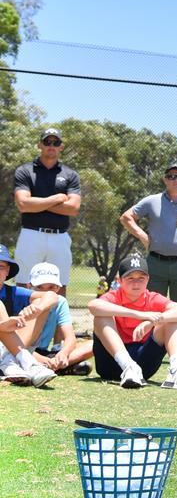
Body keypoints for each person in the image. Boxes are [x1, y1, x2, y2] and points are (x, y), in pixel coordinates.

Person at [120, 160, 177, 365]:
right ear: (164, 179)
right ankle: (148, 345)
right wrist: (143, 236)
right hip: (155, 263)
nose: (175, 180)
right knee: (150, 306)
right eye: (171, 176)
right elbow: (126, 217)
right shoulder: (152, 201)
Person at [87, 253, 177, 391]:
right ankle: (128, 367)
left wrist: (153, 321)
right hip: (110, 364)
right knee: (101, 317)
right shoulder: (113, 296)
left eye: (141, 278)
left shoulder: (153, 298)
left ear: (148, 279)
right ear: (120, 280)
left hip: (143, 366)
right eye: (130, 278)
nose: (136, 283)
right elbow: (93, 306)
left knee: (172, 319)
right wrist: (140, 315)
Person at [13, 127, 81, 294]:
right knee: (23, 283)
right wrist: (57, 198)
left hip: (60, 237)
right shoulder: (25, 171)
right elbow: (23, 204)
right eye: (47, 142)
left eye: (55, 142)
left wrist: (36, 203)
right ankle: (23, 320)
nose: (51, 145)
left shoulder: (70, 175)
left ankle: (58, 320)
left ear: (61, 147)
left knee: (59, 285)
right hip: (31, 233)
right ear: (40, 145)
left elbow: (73, 208)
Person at [0, 247, 58, 387]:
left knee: (40, 302)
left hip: (10, 349)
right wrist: (3, 326)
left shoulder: (12, 292)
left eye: (1, 267)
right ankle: (24, 362)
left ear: (8, 271)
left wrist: (37, 309)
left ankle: (13, 362)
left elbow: (52, 296)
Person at [19, 262, 91, 375]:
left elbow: (70, 339)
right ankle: (53, 367)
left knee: (92, 346)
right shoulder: (22, 299)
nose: (46, 293)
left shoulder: (60, 301)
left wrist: (63, 354)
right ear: (29, 286)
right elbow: (17, 346)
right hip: (22, 351)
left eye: (51, 287)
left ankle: (48, 366)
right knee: (19, 354)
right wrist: (46, 360)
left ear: (58, 287)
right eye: (39, 287)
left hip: (44, 352)